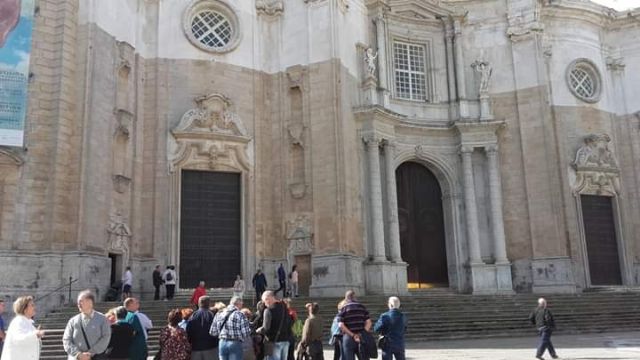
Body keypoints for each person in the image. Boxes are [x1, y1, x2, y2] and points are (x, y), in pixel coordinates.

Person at [63, 290, 111, 360]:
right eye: (78, 302)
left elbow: (106, 337)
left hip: (95, 357)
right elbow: (66, 340)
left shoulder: (102, 319)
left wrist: (91, 353)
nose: (78, 304)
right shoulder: (73, 321)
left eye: (81, 301)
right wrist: (78, 354)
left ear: (90, 302)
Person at [0, 296, 44, 360]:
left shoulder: (28, 323)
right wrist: (35, 335)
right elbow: (19, 339)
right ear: (24, 309)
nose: (34, 307)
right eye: (32, 305)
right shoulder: (18, 322)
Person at [210, 296, 252, 360]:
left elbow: (212, 332)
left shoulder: (219, 313)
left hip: (222, 342)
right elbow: (246, 333)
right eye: (242, 304)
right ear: (239, 304)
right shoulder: (240, 314)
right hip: (235, 343)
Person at [257, 291, 292, 360]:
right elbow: (290, 322)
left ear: (268, 299)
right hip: (285, 340)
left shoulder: (268, 311)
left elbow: (266, 328)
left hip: (273, 341)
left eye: (264, 301)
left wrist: (258, 330)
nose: (264, 304)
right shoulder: (284, 308)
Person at [338, 290, 372, 360]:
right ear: (355, 297)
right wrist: (361, 333)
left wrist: (352, 335)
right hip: (361, 337)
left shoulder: (343, 309)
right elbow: (369, 322)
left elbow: (341, 325)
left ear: (346, 298)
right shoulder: (362, 307)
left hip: (348, 337)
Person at [187, 295, 219, 360]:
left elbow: (188, 331)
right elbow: (217, 331)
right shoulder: (212, 315)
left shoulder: (193, 316)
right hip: (211, 347)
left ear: (199, 304)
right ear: (209, 304)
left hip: (196, 348)